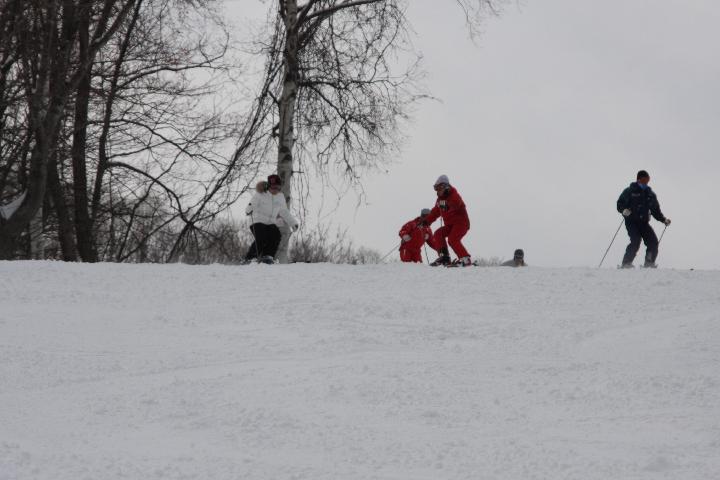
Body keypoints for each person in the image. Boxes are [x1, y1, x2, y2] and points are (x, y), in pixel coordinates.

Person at [616, 170, 671, 268]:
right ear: (639, 180)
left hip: (644, 223)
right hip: (631, 222)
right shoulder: (629, 191)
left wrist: (663, 220)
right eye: (644, 181)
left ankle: (649, 263)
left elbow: (655, 210)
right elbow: (620, 203)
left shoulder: (650, 194)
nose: (646, 183)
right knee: (635, 240)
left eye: (647, 181)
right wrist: (623, 210)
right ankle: (626, 263)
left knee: (653, 241)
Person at [244, 174, 298, 263]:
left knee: (276, 235)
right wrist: (248, 210)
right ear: (268, 186)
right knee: (262, 237)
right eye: (272, 187)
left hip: (270, 223)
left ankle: (267, 256)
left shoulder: (280, 197)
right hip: (257, 221)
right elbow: (252, 204)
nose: (274, 190)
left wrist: (293, 223)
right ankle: (250, 258)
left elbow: (284, 212)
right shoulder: (261, 194)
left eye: (277, 187)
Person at [424, 175, 472, 266]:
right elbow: (435, 212)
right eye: (436, 189)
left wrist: (447, 205)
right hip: (450, 225)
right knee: (438, 233)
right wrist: (426, 221)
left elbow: (457, 204)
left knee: (452, 239)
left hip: (461, 223)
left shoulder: (454, 195)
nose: (438, 191)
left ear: (446, 187)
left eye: (440, 189)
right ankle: (444, 257)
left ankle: (465, 259)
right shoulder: (440, 200)